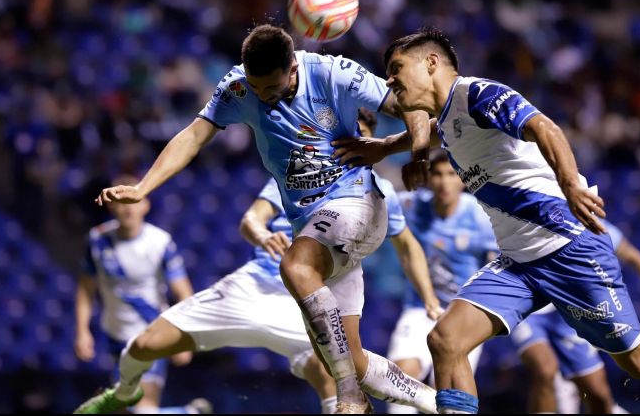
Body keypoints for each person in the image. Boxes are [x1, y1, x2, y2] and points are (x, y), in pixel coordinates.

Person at [332, 27, 640, 414]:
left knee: (639, 363)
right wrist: (383, 146)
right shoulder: (451, 119)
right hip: (518, 262)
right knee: (446, 340)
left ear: (431, 63)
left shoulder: (478, 93)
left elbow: (543, 127)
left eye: (397, 67)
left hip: (569, 247)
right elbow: (437, 133)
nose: (390, 79)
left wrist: (570, 183)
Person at [79, 24, 436, 414]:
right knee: (354, 359)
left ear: (292, 69)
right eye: (255, 87)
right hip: (317, 230)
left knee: (296, 265)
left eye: (270, 88)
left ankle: (349, 394)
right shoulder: (239, 87)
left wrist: (413, 152)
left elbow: (413, 105)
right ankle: (442, 404)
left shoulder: (334, 73)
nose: (261, 97)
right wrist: (144, 187)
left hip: (358, 202)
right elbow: (194, 136)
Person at [510, 219, 640, 414]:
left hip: (568, 313)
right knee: (545, 370)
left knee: (597, 393)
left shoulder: (588, 224)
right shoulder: (517, 214)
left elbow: (634, 257)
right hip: (530, 309)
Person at [74, 175, 210, 414]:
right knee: (125, 409)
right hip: (115, 337)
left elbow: (183, 292)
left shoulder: (160, 242)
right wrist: (82, 331)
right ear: (111, 205)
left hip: (151, 336)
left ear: (145, 204)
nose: (128, 209)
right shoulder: (97, 241)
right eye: (121, 202)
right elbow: (86, 289)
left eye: (133, 201)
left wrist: (183, 339)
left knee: (142, 408)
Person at [387, 150, 499, 414]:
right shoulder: (413, 206)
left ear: (463, 179)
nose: (444, 182)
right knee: (401, 377)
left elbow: (500, 264)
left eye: (451, 174)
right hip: (420, 307)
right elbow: (377, 196)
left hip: (463, 313)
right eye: (437, 174)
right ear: (427, 177)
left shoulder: (482, 218)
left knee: (447, 389)